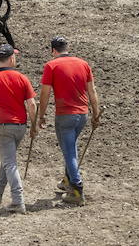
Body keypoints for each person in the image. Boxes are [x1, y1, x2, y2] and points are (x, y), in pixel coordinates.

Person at [36, 36, 102, 206]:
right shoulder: (83, 64)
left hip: (65, 115)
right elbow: (92, 91)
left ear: (53, 51)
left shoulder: (51, 66)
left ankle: (77, 189)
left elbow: (45, 93)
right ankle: (67, 180)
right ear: (67, 47)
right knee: (71, 147)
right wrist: (96, 113)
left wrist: (41, 115)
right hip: (82, 115)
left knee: (69, 151)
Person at [0, 43, 38, 215]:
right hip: (20, 127)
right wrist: (33, 125)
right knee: (8, 158)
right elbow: (32, 105)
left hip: (2, 126)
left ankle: (18, 201)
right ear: (11, 58)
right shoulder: (22, 78)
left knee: (10, 162)